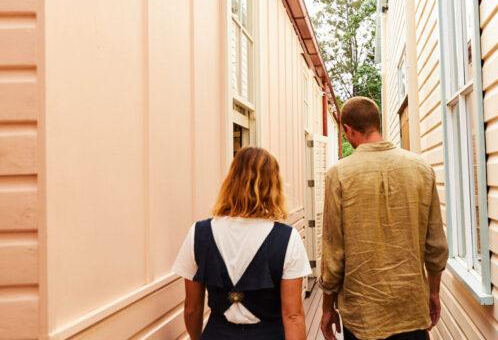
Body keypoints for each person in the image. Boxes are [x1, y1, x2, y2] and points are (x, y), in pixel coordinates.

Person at [319, 97, 449, 340]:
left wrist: (327, 308)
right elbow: (436, 246)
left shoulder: (339, 174)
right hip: (411, 309)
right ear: (377, 124)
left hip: (363, 317)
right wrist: (433, 293)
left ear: (348, 129)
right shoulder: (422, 169)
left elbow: (334, 254)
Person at [172, 147, 311, 339]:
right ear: (273, 186)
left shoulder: (199, 233)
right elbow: (293, 315)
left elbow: (192, 309)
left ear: (231, 182)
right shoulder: (287, 238)